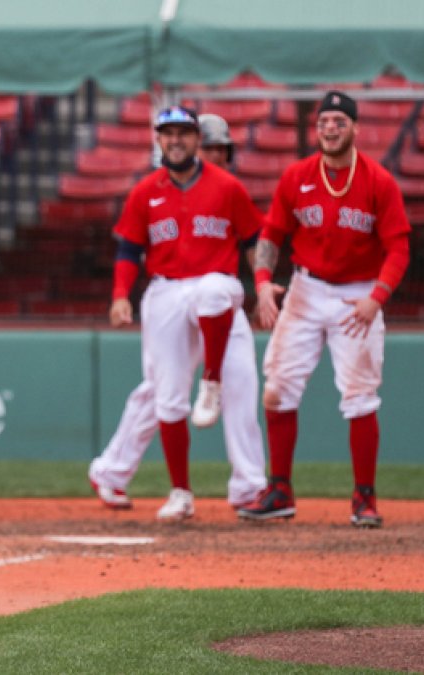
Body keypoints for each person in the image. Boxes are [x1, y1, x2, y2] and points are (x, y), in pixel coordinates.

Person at [238, 91, 410, 528]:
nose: (330, 128)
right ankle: (280, 490)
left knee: (360, 396)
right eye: (324, 122)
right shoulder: (296, 176)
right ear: (316, 130)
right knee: (278, 386)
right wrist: (261, 286)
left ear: (354, 128)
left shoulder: (377, 180)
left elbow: (399, 247)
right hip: (306, 289)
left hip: (359, 294)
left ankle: (364, 497)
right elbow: (271, 236)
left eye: (338, 121)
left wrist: (378, 297)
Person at [88, 112, 265, 510]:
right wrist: (120, 295)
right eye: (167, 134)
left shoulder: (228, 188)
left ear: (196, 139)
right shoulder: (146, 191)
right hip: (167, 291)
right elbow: (129, 249)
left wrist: (266, 285)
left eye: (183, 133)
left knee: (240, 382)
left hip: (215, 295)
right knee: (163, 393)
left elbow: (256, 240)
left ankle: (249, 485)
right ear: (160, 140)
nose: (175, 140)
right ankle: (158, 484)